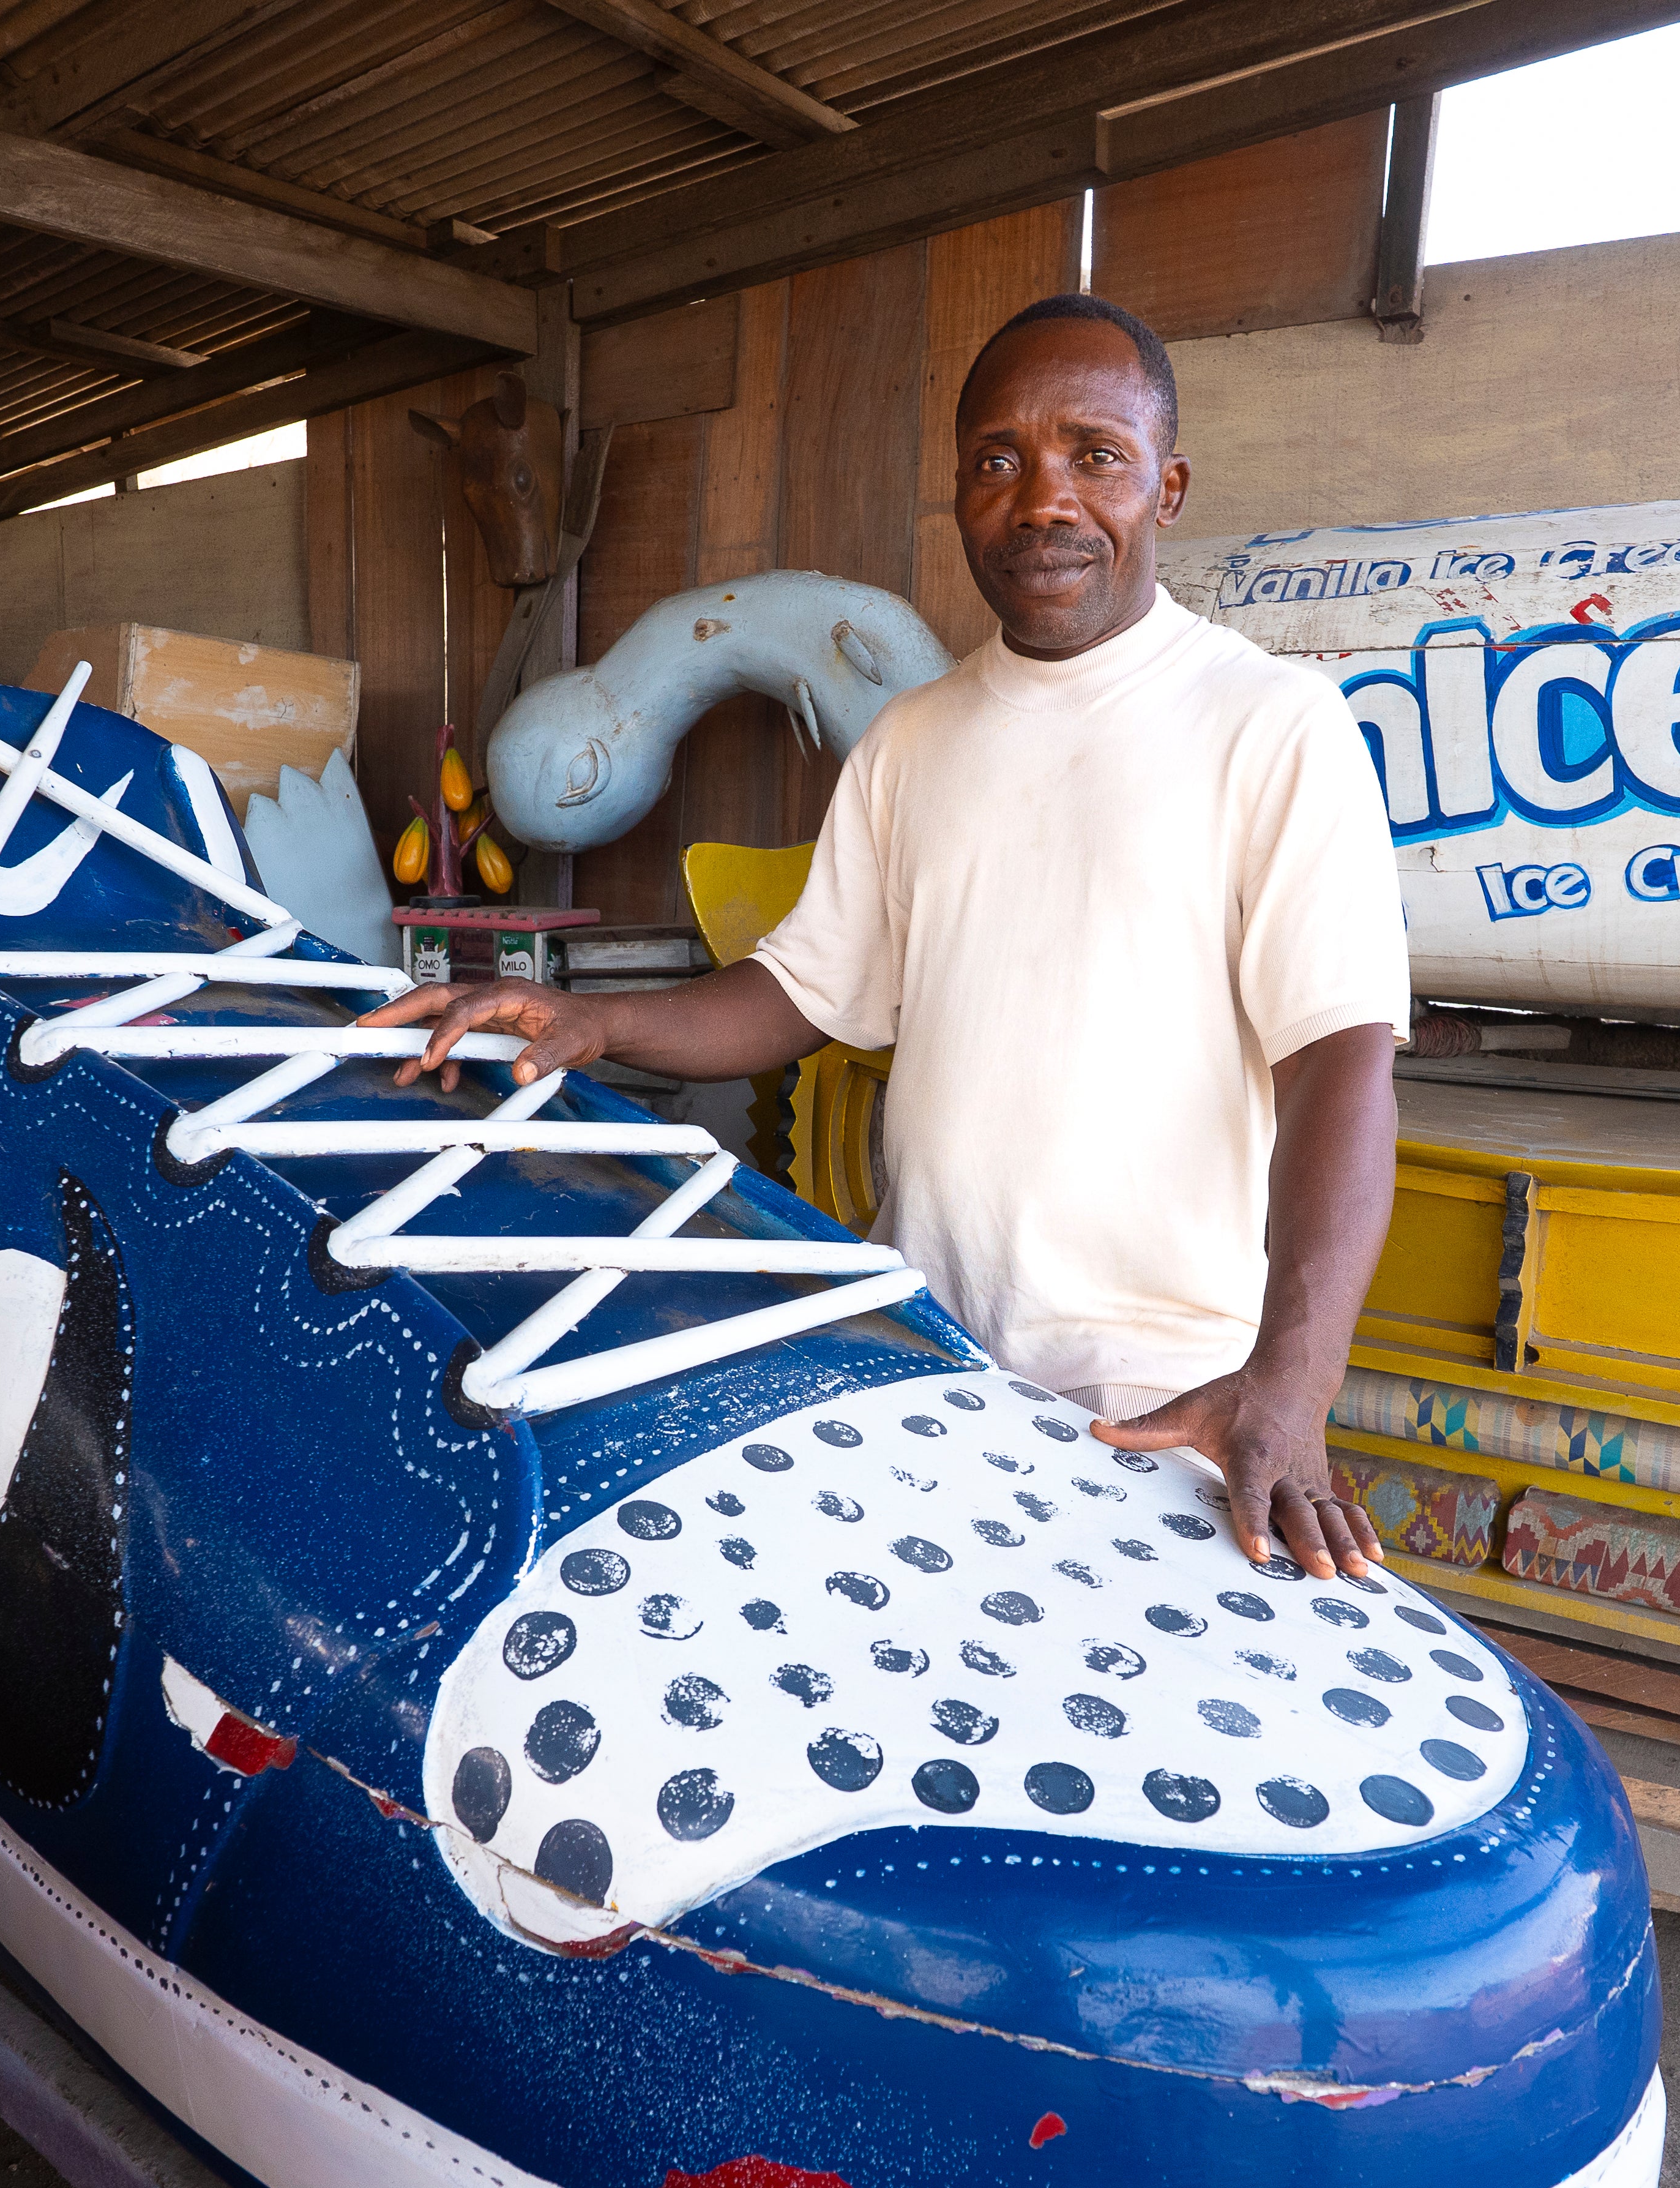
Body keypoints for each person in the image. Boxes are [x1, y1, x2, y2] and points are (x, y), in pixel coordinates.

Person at [362, 294, 1409, 1578]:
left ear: (1169, 487)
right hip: (924, 1358)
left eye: (1096, 454)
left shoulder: (1273, 727)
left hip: (1162, 1397)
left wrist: (1289, 1386)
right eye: (998, 460)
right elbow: (801, 989)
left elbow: (1341, 1066)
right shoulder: (916, 740)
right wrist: (597, 1021)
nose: (1044, 501)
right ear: (958, 490)